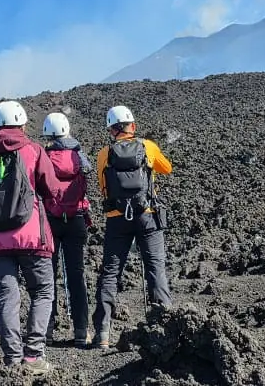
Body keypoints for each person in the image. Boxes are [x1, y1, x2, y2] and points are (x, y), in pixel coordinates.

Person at [0, 100, 62, 374]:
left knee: (6, 297)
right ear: (22, 123)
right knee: (43, 291)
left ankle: (12, 359)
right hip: (31, 237)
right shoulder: (33, 150)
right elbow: (52, 189)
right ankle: (33, 356)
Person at [91, 105, 173, 349]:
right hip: (147, 215)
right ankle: (165, 325)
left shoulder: (104, 154)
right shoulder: (148, 146)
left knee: (110, 273)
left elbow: (102, 186)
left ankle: (102, 333)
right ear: (133, 126)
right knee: (155, 268)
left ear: (111, 130)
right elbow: (167, 168)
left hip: (117, 218)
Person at [40, 112, 93, 348]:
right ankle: (82, 331)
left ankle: (46, 331)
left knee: (47, 276)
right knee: (76, 276)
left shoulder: (43, 157)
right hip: (76, 219)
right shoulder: (79, 155)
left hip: (50, 220)